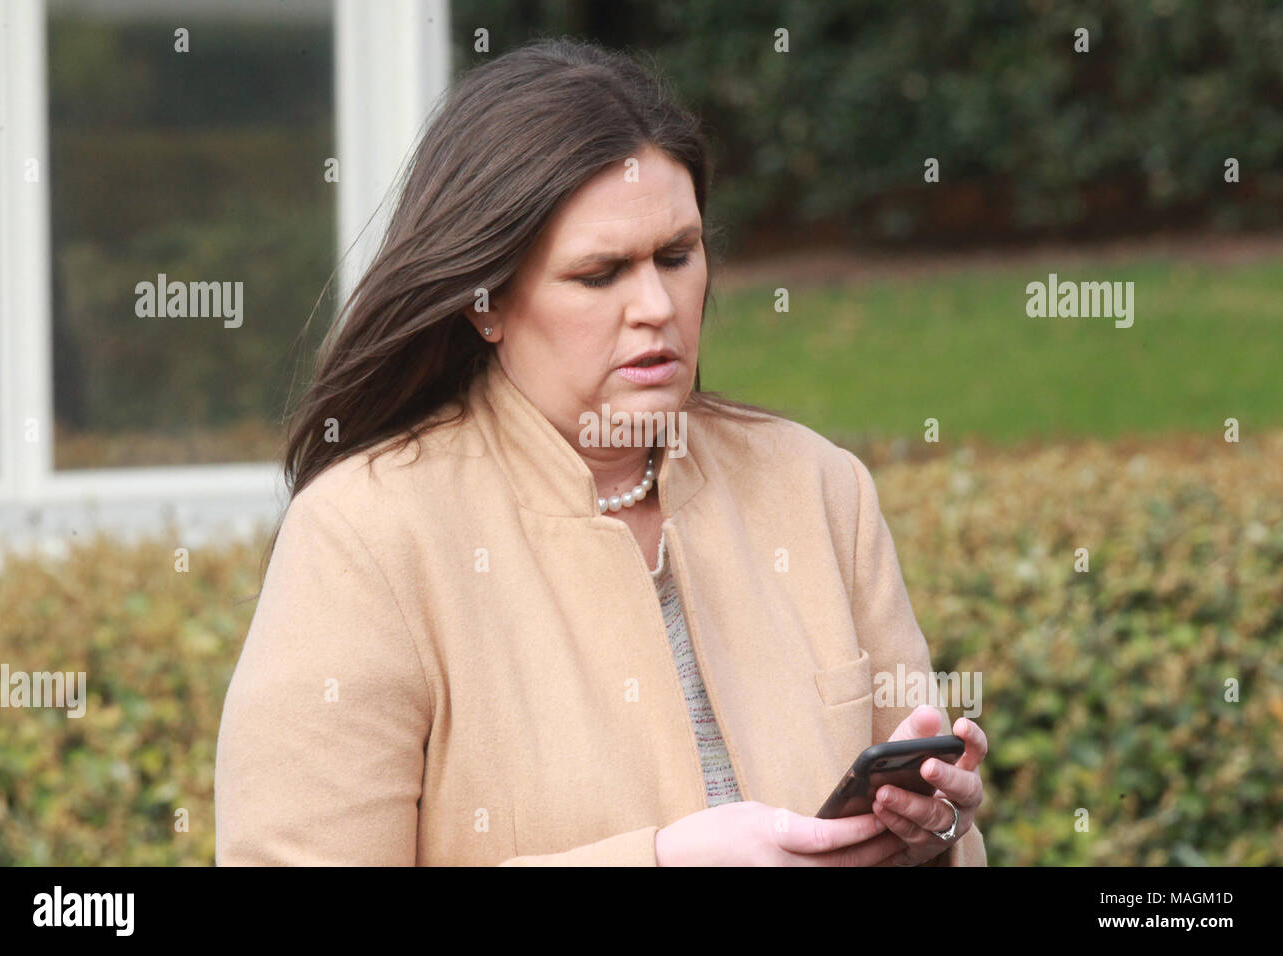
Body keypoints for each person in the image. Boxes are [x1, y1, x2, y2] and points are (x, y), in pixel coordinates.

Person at [214, 37, 987, 866]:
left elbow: (948, 848)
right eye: (600, 273)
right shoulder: (364, 536)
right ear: (486, 301)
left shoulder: (817, 485)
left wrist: (933, 835)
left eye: (676, 256)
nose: (655, 304)